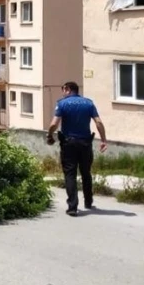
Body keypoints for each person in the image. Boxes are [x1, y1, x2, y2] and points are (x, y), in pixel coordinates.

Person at [46, 81, 107, 216]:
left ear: (67, 89)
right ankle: (89, 201)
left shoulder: (62, 103)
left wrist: (49, 135)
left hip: (69, 144)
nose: (62, 91)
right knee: (86, 172)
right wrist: (103, 140)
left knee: (70, 174)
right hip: (85, 143)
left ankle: (72, 207)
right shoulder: (89, 103)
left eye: (63, 89)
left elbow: (54, 124)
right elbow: (98, 122)